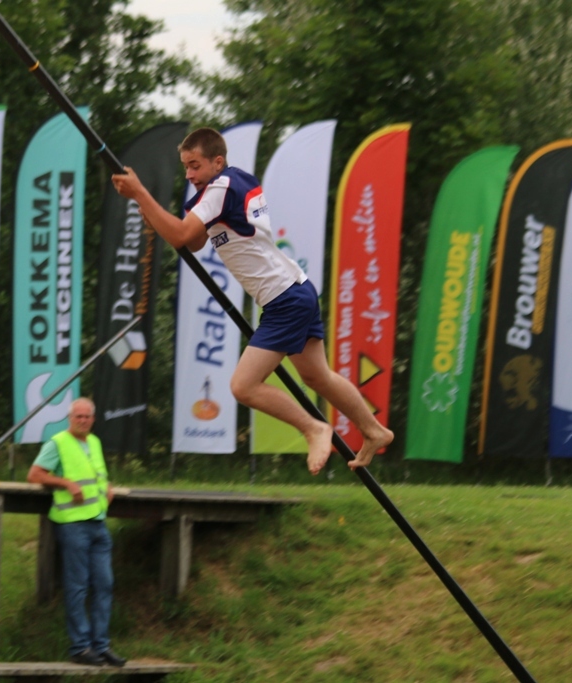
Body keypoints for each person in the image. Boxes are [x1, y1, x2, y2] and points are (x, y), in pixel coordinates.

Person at [111, 127, 393, 475]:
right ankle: (374, 430)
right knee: (318, 377)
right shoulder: (230, 184)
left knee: (243, 386)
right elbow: (194, 242)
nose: (189, 175)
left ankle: (313, 428)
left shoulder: (220, 188)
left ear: (217, 162)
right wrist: (151, 210)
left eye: (195, 165)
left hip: (284, 298)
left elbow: (182, 235)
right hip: (295, 289)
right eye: (185, 167)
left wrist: (141, 193)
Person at [26, 398, 126, 667]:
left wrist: (108, 487)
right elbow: (34, 474)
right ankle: (81, 648)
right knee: (77, 586)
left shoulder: (94, 442)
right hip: (72, 524)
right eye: (77, 416)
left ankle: (101, 645)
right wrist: (65, 483)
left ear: (93, 419)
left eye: (86, 417)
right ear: (69, 418)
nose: (82, 420)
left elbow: (96, 475)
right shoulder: (58, 442)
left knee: (105, 584)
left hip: (98, 521)